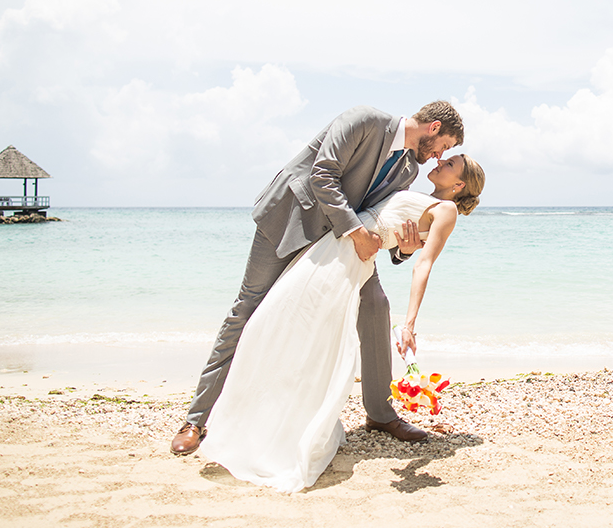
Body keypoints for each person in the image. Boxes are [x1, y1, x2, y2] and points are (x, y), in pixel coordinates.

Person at [171, 102, 464, 456]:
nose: (438, 157)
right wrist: (356, 234)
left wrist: (403, 249)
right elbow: (322, 175)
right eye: (443, 146)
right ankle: (196, 420)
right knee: (246, 311)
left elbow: (381, 218)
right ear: (433, 127)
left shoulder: (406, 171)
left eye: (445, 155)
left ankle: (381, 414)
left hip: (337, 241)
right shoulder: (364, 121)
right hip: (290, 221)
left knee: (375, 307)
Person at [201, 155, 486, 492]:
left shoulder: (446, 211)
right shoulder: (414, 191)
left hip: (346, 259)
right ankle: (249, 417)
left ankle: (288, 427)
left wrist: (409, 323)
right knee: (279, 322)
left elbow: (423, 264)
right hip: (332, 245)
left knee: (302, 333)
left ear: (459, 185)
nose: (440, 160)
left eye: (450, 162)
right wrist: (403, 246)